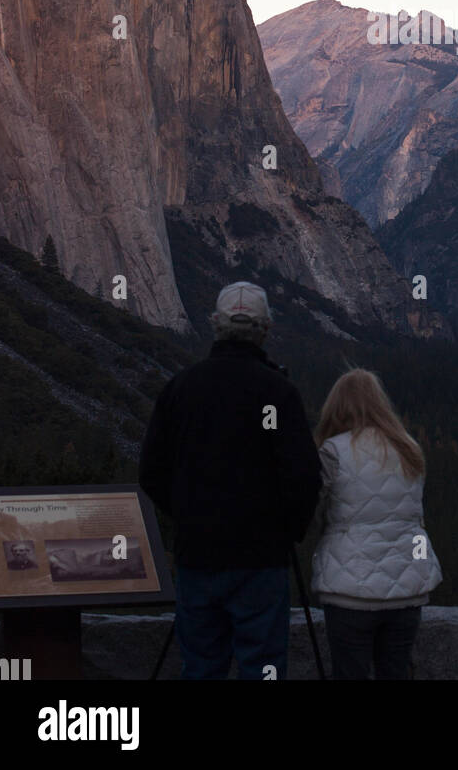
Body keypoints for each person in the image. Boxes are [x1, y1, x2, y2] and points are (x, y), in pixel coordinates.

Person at [139, 281, 321, 680]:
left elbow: (150, 470)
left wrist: (187, 513)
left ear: (215, 325)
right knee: (263, 668)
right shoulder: (278, 392)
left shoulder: (180, 388)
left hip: (197, 558)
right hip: (260, 561)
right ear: (265, 329)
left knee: (201, 667)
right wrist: (285, 530)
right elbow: (304, 475)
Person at [311, 369, 442, 680]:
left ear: (337, 406)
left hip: (349, 588)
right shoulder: (408, 448)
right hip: (408, 585)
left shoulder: (332, 451)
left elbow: (313, 509)